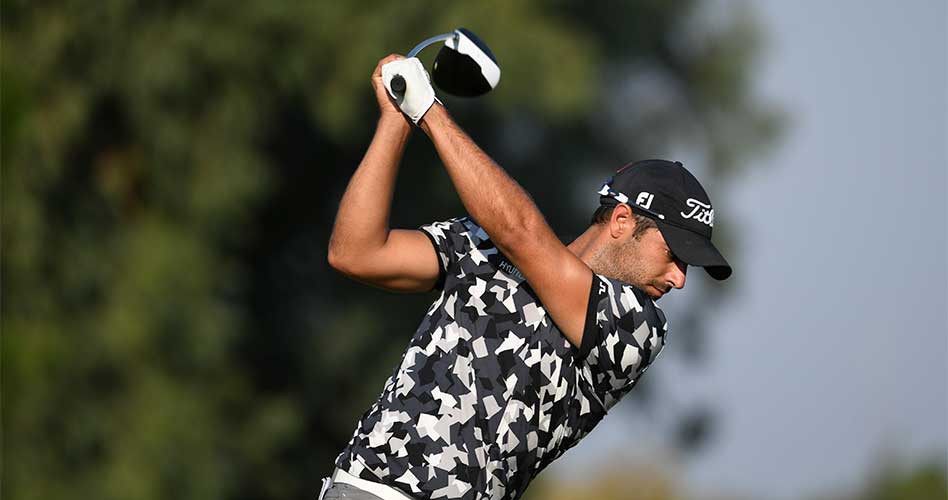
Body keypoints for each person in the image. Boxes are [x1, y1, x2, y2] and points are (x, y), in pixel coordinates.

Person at [322, 54, 732, 500]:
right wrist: (396, 121)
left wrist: (429, 111)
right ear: (620, 221)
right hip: (360, 487)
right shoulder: (482, 244)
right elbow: (356, 253)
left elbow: (520, 233)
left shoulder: (636, 329)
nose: (679, 279)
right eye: (673, 255)